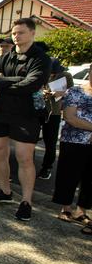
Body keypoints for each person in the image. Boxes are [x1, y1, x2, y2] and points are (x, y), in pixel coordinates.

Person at [0, 18, 52, 221]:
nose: (16, 36)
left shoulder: (41, 58)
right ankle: (4, 191)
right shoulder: (5, 56)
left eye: (21, 32)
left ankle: (26, 201)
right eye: (14, 33)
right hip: (0, 110)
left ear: (32, 34)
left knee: (24, 157)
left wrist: (3, 81)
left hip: (26, 113)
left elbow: (32, 85)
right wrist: (16, 80)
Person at [52, 66, 92, 235]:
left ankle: (81, 210)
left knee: (90, 179)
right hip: (73, 140)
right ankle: (66, 207)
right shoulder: (75, 91)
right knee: (68, 174)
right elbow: (70, 117)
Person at [37, 58, 73, 180]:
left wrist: (60, 93)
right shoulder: (40, 72)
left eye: (53, 73)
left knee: (50, 142)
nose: (51, 75)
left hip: (54, 112)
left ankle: (46, 168)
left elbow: (72, 92)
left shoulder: (65, 75)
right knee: (30, 140)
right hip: (37, 110)